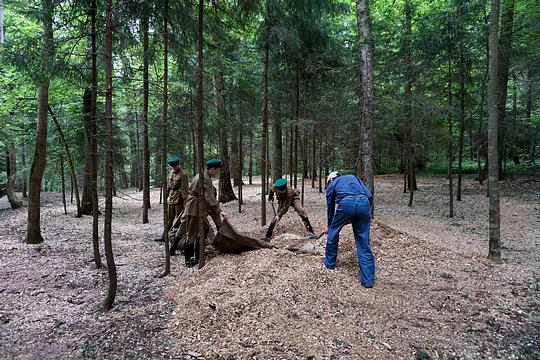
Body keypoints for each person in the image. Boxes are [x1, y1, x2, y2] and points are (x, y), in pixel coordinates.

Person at [171, 159, 228, 267]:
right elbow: (210, 198)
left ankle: (196, 256)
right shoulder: (206, 179)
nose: (217, 172)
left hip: (194, 205)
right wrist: (221, 212)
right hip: (195, 208)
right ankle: (189, 260)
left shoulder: (200, 174)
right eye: (217, 170)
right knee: (192, 233)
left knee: (200, 232)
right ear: (212, 169)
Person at [323, 171, 375, 288]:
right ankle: (368, 280)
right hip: (364, 204)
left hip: (347, 203)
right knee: (363, 242)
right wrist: (362, 212)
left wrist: (330, 226)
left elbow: (330, 208)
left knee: (333, 233)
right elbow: (369, 196)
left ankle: (329, 263)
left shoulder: (332, 184)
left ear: (330, 180)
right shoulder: (354, 177)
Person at [166, 156, 189, 229]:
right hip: (171, 199)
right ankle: (165, 234)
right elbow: (168, 186)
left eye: (175, 166)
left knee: (179, 218)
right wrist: (166, 196)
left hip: (178, 200)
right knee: (169, 218)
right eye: (172, 166)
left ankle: (178, 235)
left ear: (178, 164)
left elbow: (185, 189)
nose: (173, 167)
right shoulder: (170, 173)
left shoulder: (183, 174)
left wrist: (185, 202)